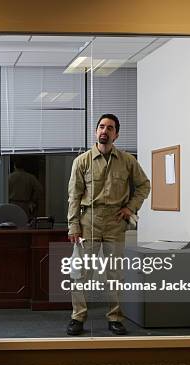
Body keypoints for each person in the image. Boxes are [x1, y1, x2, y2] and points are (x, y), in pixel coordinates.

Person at [66, 114, 150, 336]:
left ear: (116, 134)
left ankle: (115, 318)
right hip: (88, 221)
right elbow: (74, 196)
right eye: (101, 127)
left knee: (115, 273)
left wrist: (131, 208)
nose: (105, 131)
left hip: (115, 222)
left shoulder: (127, 160)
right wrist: (73, 225)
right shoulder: (82, 161)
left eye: (110, 128)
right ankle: (78, 317)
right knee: (80, 273)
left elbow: (144, 185)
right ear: (96, 132)